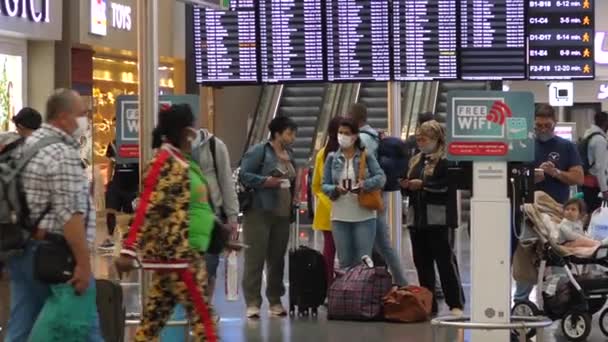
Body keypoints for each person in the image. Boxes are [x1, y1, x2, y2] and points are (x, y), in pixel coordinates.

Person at [6, 89, 103, 341]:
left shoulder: (23, 147)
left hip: (22, 251)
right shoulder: (62, 154)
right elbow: (70, 216)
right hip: (58, 257)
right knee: (84, 328)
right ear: (62, 117)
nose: (85, 121)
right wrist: (83, 264)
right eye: (81, 114)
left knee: (21, 327)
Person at [115, 104, 218, 341]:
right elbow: (147, 208)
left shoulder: (179, 161)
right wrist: (128, 251)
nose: (195, 132)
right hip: (181, 259)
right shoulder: (165, 163)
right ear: (185, 131)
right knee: (205, 322)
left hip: (176, 260)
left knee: (151, 324)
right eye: (192, 127)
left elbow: (189, 206)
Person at [514, 103, 584, 302]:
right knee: (525, 254)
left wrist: (556, 173)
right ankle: (521, 302)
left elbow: (578, 178)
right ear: (532, 125)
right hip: (528, 212)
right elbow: (512, 177)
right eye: (539, 126)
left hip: (555, 211)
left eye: (548, 126)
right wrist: (530, 178)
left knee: (556, 256)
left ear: (555, 124)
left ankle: (556, 300)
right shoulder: (524, 147)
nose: (543, 130)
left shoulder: (566, 147)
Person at [401, 120, 465, 316]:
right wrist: (406, 185)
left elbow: (448, 186)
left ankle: (455, 303)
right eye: (418, 139)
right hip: (416, 219)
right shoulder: (415, 160)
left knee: (445, 262)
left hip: (439, 219)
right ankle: (429, 303)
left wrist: (424, 185)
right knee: (422, 263)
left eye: (425, 139)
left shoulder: (447, 160)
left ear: (437, 139)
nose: (421, 142)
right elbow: (408, 182)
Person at [239, 116, 298, 319]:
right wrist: (266, 181)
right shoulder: (260, 151)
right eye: (289, 133)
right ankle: (253, 302)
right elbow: (244, 174)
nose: (292, 137)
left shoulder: (290, 154)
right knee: (255, 258)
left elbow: (293, 178)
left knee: (277, 259)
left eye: (293, 133)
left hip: (282, 213)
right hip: (259, 211)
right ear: (277, 133)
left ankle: (275, 299)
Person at [349, 103, 408, 286]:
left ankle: (361, 286)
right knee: (383, 244)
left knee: (371, 245)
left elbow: (364, 168)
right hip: (376, 196)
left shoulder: (363, 140)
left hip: (367, 196)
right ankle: (401, 282)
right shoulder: (375, 136)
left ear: (353, 118)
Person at [322, 118, 386, 269]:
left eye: (347, 133)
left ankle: (362, 291)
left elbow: (381, 178)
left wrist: (365, 185)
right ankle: (346, 291)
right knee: (344, 261)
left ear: (355, 136)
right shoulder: (332, 158)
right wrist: (335, 189)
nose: (342, 136)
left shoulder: (366, 155)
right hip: (339, 216)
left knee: (363, 262)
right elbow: (324, 185)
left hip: (364, 215)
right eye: (340, 133)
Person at [192, 127, 239, 299]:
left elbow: (226, 180)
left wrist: (232, 216)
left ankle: (205, 309)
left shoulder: (214, 145)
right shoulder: (173, 148)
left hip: (212, 215)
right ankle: (196, 312)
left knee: (208, 268)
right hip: (185, 217)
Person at [312, 116, 343, 285]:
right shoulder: (323, 154)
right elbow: (317, 185)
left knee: (334, 251)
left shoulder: (353, 151)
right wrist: (332, 201)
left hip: (338, 209)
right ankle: (329, 287)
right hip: (331, 211)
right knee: (330, 251)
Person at [99, 123, 140, 251]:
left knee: (134, 212)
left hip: (133, 184)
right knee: (110, 209)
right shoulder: (113, 144)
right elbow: (110, 163)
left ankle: (133, 238)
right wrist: (108, 181)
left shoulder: (137, 142)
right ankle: (109, 237)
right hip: (117, 182)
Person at [581, 111, 608, 213]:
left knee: (589, 212)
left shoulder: (588, 135)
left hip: (586, 182)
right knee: (596, 214)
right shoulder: (600, 140)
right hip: (595, 186)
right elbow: (600, 168)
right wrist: (604, 190)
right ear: (605, 123)